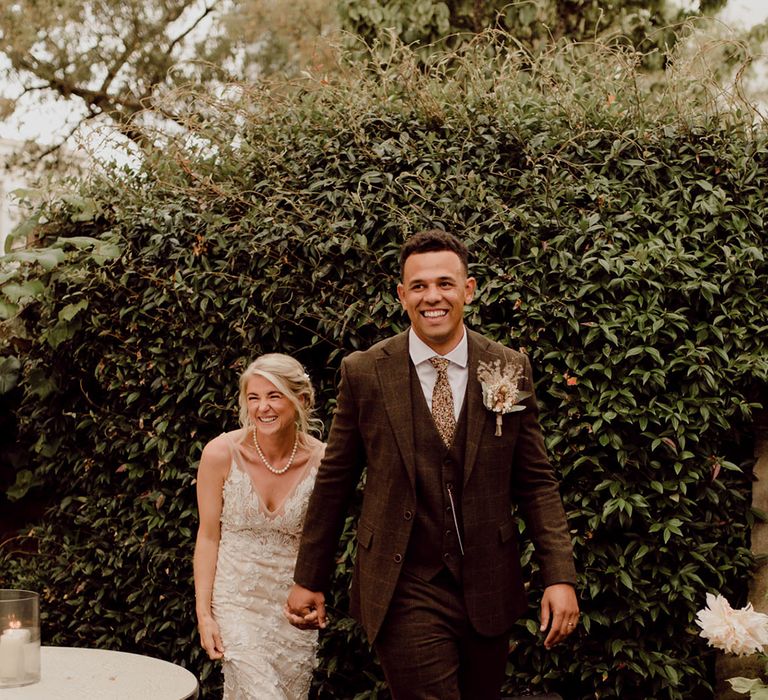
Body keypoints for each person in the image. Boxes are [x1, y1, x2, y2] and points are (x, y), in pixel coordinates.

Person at [285, 229, 579, 699]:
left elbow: (536, 481)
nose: (432, 296)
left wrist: (559, 575)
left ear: (469, 289)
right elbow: (336, 480)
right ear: (402, 296)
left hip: (487, 579)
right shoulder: (364, 372)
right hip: (403, 582)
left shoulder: (508, 367)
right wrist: (308, 579)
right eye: (418, 286)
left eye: (444, 283)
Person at [194, 353, 325, 700]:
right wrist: (204, 615)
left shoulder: (324, 460)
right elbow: (208, 538)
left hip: (292, 609)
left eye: (274, 395)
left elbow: (325, 540)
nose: (263, 407)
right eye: (253, 397)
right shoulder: (220, 453)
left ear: (300, 399)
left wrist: (315, 588)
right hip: (236, 602)